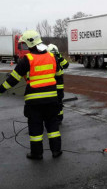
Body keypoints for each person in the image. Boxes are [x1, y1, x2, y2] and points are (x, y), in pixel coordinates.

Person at [0, 30, 62, 160]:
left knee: (35, 128)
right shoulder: (52, 56)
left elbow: (14, 78)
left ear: (29, 43)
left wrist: (1, 89)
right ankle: (56, 151)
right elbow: (57, 75)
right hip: (51, 99)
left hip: (34, 102)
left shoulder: (27, 60)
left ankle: (37, 153)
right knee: (53, 126)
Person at [47, 44, 69, 124]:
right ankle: (57, 118)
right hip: (56, 86)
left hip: (55, 86)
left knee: (57, 103)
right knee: (57, 103)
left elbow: (66, 65)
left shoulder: (58, 58)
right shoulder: (51, 59)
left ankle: (57, 118)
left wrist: (60, 57)